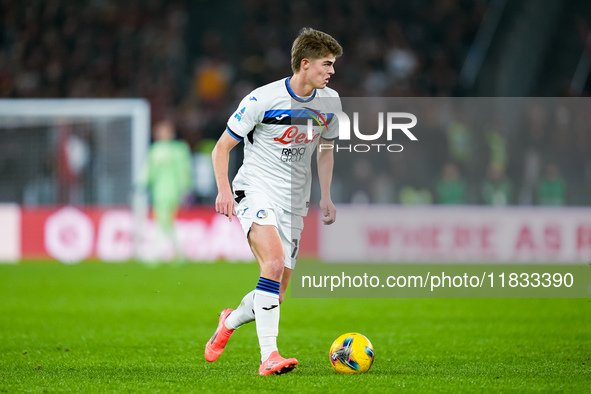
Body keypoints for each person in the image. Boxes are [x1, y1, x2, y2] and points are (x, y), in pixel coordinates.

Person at [205, 27, 343, 376]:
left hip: (296, 202)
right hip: (256, 190)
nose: (331, 71)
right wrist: (223, 190)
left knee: (276, 294)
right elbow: (222, 147)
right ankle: (270, 356)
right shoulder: (262, 99)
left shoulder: (330, 102)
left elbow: (326, 149)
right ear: (305, 63)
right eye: (326, 64)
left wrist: (325, 195)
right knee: (274, 263)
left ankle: (229, 320)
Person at [143, 120, 192, 261]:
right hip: (159, 192)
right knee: (165, 221)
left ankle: (157, 253)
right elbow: (149, 171)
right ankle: (179, 253)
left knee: (164, 220)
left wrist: (185, 189)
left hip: (172, 191)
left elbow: (184, 171)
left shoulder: (178, 150)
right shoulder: (158, 150)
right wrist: (142, 183)